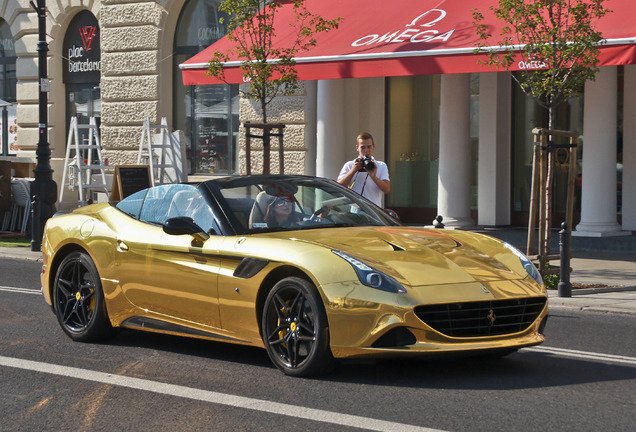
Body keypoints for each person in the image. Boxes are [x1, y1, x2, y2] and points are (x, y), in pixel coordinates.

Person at [337, 132, 390, 207]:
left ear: (373, 147)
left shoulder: (381, 165)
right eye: (362, 147)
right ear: (357, 148)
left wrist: (374, 177)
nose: (366, 151)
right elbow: (338, 187)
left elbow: (387, 189)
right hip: (355, 210)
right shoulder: (349, 165)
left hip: (374, 211)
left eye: (369, 147)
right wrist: (353, 170)